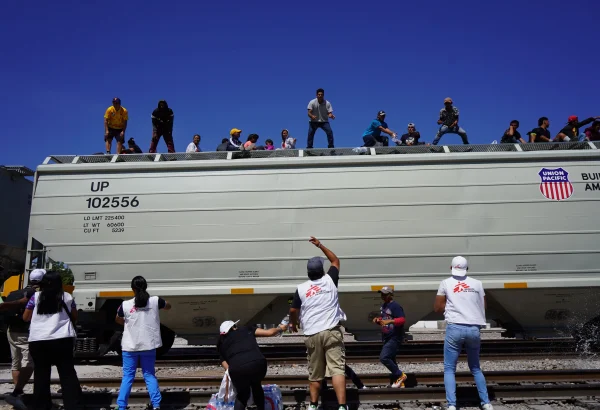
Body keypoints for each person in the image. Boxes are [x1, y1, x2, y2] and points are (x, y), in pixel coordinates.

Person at [288, 237, 347, 410]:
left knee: (315, 373)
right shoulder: (330, 280)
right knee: (337, 369)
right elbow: (335, 260)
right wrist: (320, 245)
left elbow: (293, 310)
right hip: (331, 330)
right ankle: (342, 407)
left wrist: (294, 324)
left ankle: (313, 405)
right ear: (322, 270)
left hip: (312, 333)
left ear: (308, 273)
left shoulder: (301, 289)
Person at [433, 256, 493, 410]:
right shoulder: (477, 284)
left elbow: (438, 308)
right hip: (474, 328)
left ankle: (452, 405)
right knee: (475, 367)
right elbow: (483, 305)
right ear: (467, 268)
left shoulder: (445, 283)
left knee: (449, 369)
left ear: (450, 267)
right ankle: (486, 402)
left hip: (455, 328)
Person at [23, 271, 81, 410]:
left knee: (41, 375)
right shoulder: (67, 297)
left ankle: (41, 406)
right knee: (67, 375)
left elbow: (26, 317)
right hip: (62, 340)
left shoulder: (35, 297)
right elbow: (74, 315)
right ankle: (73, 406)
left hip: (38, 340)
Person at [115, 276, 171, 410]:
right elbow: (168, 306)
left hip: (129, 346)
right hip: (148, 345)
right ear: (146, 287)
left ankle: (121, 406)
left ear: (132, 289)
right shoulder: (155, 301)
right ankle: (156, 405)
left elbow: (117, 318)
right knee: (149, 374)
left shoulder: (125, 305)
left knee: (128, 376)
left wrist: (128, 323)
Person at [0, 269, 46, 410]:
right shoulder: (39, 295)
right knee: (30, 363)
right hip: (26, 333)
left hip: (11, 331)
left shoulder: (15, 292)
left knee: (16, 362)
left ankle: (18, 395)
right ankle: (17, 392)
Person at [217, 320, 287, 410]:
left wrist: (235, 375)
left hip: (237, 369)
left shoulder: (221, 343)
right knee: (256, 386)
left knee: (242, 395)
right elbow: (270, 332)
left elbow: (225, 364)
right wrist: (280, 328)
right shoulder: (246, 329)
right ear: (233, 327)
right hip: (258, 364)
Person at [372, 286, 407, 388]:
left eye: (385, 294)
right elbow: (385, 320)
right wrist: (378, 320)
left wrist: (390, 321)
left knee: (384, 357)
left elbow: (402, 320)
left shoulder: (395, 306)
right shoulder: (384, 306)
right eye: (381, 294)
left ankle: (401, 376)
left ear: (390, 295)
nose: (382, 296)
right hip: (387, 336)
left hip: (394, 337)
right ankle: (400, 383)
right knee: (391, 359)